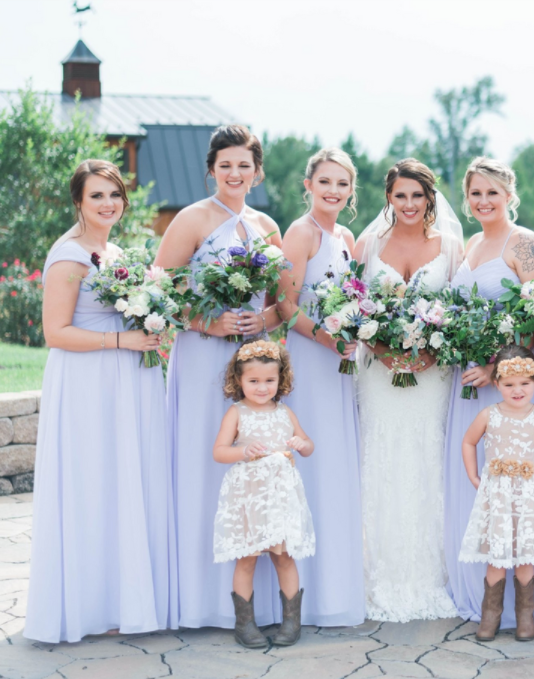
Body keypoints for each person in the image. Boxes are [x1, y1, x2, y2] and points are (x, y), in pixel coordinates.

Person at [25, 160, 175, 642]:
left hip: (127, 380)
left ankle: (121, 600)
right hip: (88, 383)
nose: (108, 204)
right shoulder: (69, 256)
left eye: (115, 195)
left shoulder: (115, 253)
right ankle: (88, 606)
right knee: (92, 485)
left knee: (120, 484)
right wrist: (120, 341)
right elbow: (55, 332)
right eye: (97, 196)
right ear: (78, 201)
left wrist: (153, 322)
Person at [154, 124, 283, 629]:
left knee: (249, 468)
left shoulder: (267, 226)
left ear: (256, 172)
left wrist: (260, 321)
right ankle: (198, 599)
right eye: (225, 165)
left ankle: (249, 599)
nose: (234, 173)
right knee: (203, 461)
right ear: (211, 169)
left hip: (252, 365)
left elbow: (280, 303)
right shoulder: (191, 218)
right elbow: (160, 291)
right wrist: (207, 322)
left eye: (243, 165)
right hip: (202, 358)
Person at [353, 159, 462, 622]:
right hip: (379, 372)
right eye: (401, 195)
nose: (410, 204)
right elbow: (354, 307)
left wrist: (430, 355)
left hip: (432, 374)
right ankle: (378, 573)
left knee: (426, 458)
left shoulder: (450, 247)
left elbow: (460, 310)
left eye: (418, 195)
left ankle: (431, 575)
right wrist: (383, 350)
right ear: (389, 198)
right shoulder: (367, 245)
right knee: (382, 456)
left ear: (430, 197)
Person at [443, 157, 534, 629]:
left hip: (508, 385)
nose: (483, 201)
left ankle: (519, 611)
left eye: (492, 192)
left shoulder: (523, 242)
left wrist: (496, 368)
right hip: (468, 380)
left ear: (509, 195)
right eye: (475, 193)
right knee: (481, 488)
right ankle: (481, 596)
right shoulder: (471, 244)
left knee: (515, 498)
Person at [275, 148, 366, 626]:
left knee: (335, 468)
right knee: (310, 466)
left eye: (342, 184)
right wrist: (326, 338)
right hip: (310, 363)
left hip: (340, 366)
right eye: (325, 182)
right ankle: (301, 595)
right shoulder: (301, 232)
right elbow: (284, 306)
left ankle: (336, 586)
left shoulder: (346, 237)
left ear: (351, 191)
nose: (333, 191)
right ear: (308, 185)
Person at [212, 340, 315, 648]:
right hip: (250, 496)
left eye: (269, 380)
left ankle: (291, 622)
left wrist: (302, 445)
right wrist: (243, 451)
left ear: (280, 380)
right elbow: (219, 452)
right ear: (239, 380)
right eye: (254, 381)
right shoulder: (236, 412)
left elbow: (308, 445)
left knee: (284, 556)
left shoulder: (285, 412)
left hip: (281, 495)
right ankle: (244, 624)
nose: (262, 387)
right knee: (247, 558)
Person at [458, 345, 534, 642]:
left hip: (528, 497)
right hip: (498, 497)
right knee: (496, 558)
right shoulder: (489, 414)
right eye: (509, 384)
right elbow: (468, 442)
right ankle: (490, 615)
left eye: (525, 383)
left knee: (525, 558)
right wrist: (474, 476)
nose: (518, 390)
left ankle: (526, 617)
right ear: (497, 383)